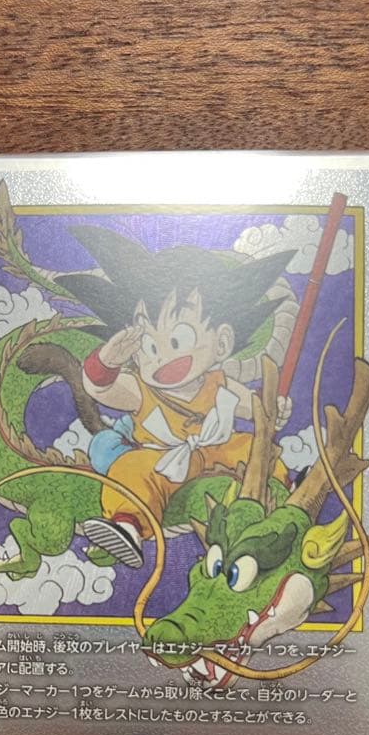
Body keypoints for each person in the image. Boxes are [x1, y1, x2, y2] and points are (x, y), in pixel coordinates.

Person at [55, 227, 295, 567]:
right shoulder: (141, 389)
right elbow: (100, 388)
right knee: (131, 468)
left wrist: (274, 412)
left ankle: (286, 494)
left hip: (217, 450)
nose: (162, 357)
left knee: (255, 448)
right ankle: (128, 526)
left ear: (222, 343)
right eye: (149, 346)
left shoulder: (220, 384)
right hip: (161, 460)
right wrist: (107, 360)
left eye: (178, 340)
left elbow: (257, 410)